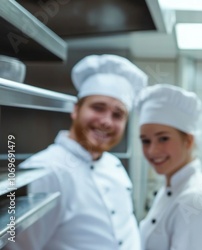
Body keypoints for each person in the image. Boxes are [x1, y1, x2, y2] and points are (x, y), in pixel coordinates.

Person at [6, 54, 147, 250]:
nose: (107, 121)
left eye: (118, 115)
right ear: (75, 110)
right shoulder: (44, 171)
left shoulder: (113, 165)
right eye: (98, 108)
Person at [136, 84, 202, 250]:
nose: (152, 150)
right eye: (145, 141)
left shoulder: (197, 201)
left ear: (188, 141)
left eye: (163, 138)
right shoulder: (170, 189)